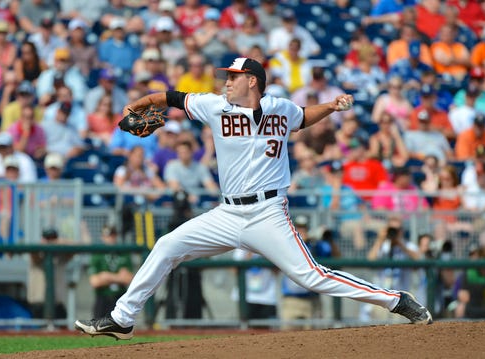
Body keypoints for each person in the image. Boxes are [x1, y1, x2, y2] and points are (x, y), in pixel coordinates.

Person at [75, 57, 432, 340]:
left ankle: (396, 300)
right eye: (225, 76)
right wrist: (132, 107)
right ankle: (122, 319)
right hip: (227, 214)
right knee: (167, 245)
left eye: (233, 76)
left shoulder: (280, 107)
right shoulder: (213, 106)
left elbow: (304, 118)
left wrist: (332, 106)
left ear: (252, 81)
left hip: (268, 213)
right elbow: (168, 98)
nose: (226, 82)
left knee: (311, 277)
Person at [88, 225, 134, 318]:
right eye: (107, 236)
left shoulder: (123, 253)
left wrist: (106, 276)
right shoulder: (97, 254)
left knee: (121, 328)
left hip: (120, 298)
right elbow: (95, 282)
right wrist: (118, 277)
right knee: (98, 328)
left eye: (112, 235)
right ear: (102, 237)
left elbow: (129, 279)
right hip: (103, 298)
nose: (110, 239)